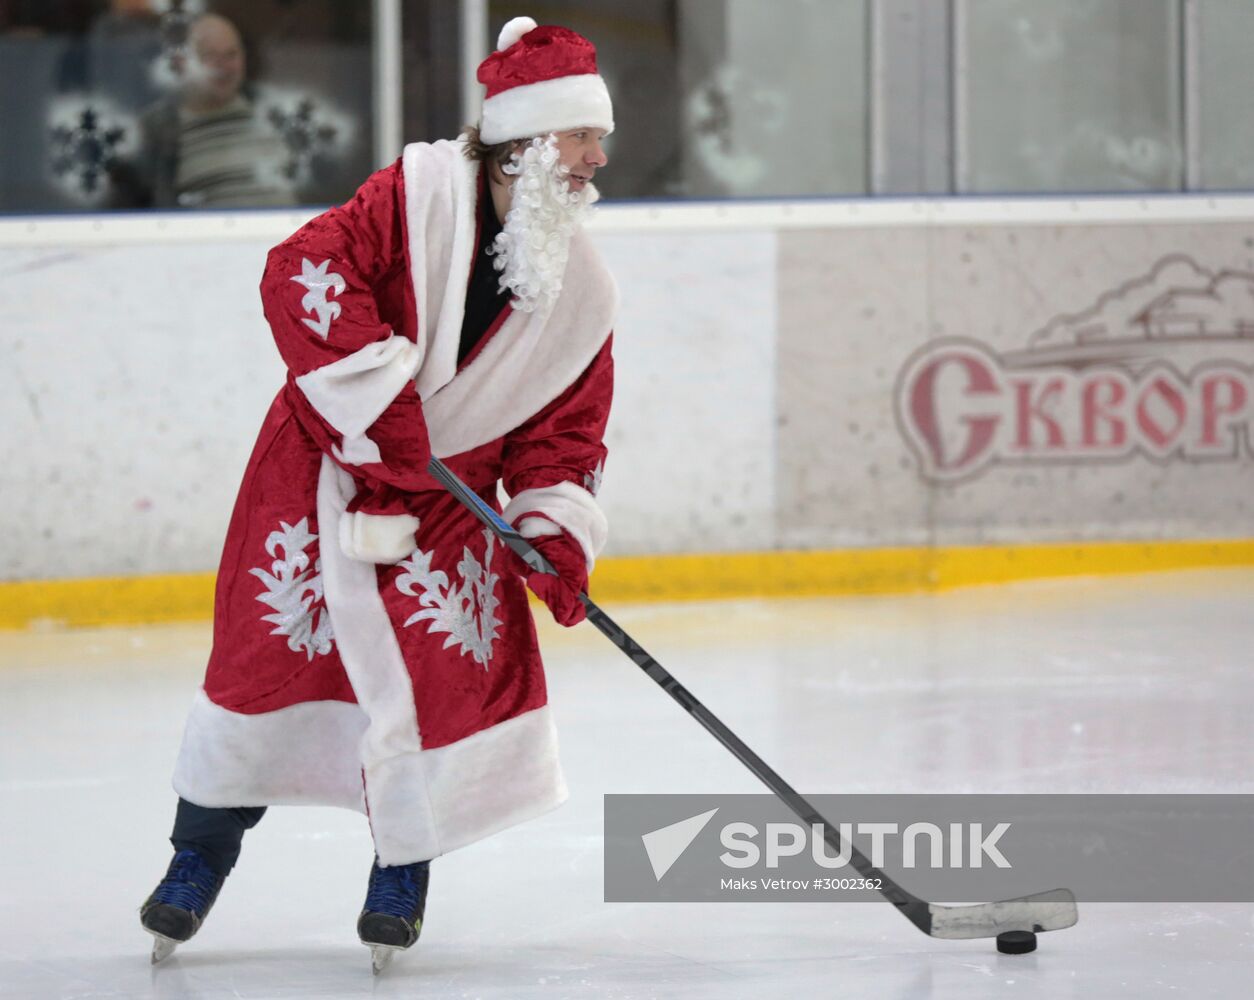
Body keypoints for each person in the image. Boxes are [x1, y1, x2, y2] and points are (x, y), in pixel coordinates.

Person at [138, 15, 616, 972]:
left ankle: (402, 873)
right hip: (323, 466)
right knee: (266, 664)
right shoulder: (416, 197)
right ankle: (200, 858)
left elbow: (563, 434)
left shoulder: (583, 290)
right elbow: (304, 271)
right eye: (581, 137)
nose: (598, 159)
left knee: (432, 688)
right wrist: (378, 398)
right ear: (523, 142)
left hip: (447, 504)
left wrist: (553, 530)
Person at [111, 11, 297, 208]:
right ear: (182, 61)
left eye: (231, 54)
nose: (223, 67)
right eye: (210, 56)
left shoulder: (278, 112)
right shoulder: (154, 131)